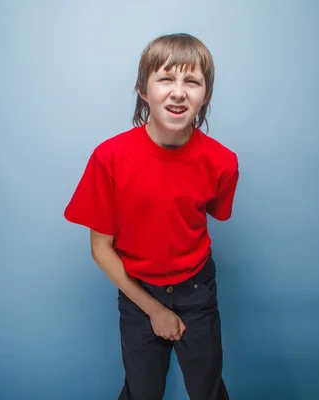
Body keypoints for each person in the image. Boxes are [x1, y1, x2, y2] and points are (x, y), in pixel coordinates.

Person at [64, 33, 239, 400]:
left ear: (205, 95)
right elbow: (100, 248)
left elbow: (206, 210)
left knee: (208, 388)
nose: (178, 92)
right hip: (137, 291)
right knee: (142, 391)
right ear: (143, 89)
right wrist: (154, 309)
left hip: (197, 289)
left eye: (192, 81)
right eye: (166, 79)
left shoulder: (223, 162)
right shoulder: (109, 158)